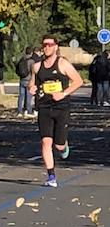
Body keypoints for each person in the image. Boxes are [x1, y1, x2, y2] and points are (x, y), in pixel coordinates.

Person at [32, 35, 84, 187]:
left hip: (61, 107)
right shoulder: (36, 66)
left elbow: (78, 81)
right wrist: (32, 88)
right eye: (44, 45)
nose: (46, 47)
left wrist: (63, 93)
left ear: (56, 47)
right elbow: (32, 84)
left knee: (58, 145)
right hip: (44, 107)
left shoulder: (62, 64)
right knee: (45, 142)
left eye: (49, 45)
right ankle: (51, 176)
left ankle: (64, 145)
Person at [15, 47, 35, 116]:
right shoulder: (31, 61)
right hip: (28, 79)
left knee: (21, 96)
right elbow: (33, 71)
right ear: (31, 53)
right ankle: (28, 111)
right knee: (28, 96)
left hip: (22, 79)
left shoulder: (21, 59)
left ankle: (19, 111)